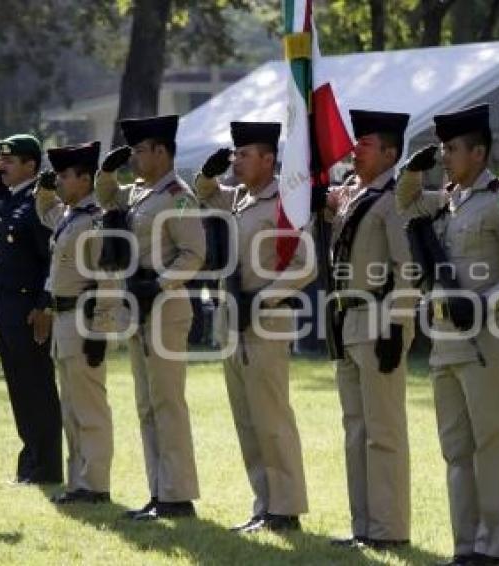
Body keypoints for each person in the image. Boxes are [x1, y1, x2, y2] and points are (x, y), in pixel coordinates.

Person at [396, 104, 499, 566]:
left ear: (478, 152)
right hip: (445, 341)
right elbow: (404, 201)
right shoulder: (445, 199)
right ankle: (465, 547)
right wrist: (412, 169)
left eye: (452, 148)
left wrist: (487, 301)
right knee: (456, 451)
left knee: (491, 446)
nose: (444, 156)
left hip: (486, 342)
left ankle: (493, 549)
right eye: (441, 149)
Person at [195, 121, 314, 533]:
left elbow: (305, 265)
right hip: (233, 319)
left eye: (244, 155)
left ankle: (286, 508)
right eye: (235, 154)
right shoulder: (237, 198)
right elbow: (204, 194)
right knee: (246, 419)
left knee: (271, 416)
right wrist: (207, 174)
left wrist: (263, 298)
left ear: (268, 159)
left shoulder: (286, 202)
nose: (236, 161)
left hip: (267, 319)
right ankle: (265, 504)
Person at [95, 115, 205, 520]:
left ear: (161, 151)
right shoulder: (141, 192)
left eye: (140, 150)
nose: (135, 158)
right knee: (146, 404)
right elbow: (108, 198)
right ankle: (159, 491)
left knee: (167, 403)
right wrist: (107, 171)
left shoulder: (178, 196)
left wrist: (160, 284)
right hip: (139, 306)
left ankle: (178, 495)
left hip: (166, 308)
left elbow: (193, 253)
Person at [317, 109, 415, 550]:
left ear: (390, 154)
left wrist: (397, 324)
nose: (355, 151)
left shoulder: (395, 200)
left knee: (383, 431)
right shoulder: (355, 193)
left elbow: (407, 269)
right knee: (356, 430)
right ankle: (364, 526)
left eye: (366, 144)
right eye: (355, 143)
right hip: (349, 319)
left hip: (379, 320)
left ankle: (389, 529)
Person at [0, 134, 62, 485]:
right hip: (5, 311)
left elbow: (52, 260)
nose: (3, 168)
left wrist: (44, 305)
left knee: (37, 388)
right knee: (19, 389)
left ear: (31, 165)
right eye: (1, 162)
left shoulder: (39, 202)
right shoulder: (11, 198)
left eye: (10, 162)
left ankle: (47, 466)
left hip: (28, 311)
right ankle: (30, 462)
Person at [34, 141, 115, 504]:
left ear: (85, 179)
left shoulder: (95, 220)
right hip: (64, 319)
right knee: (71, 409)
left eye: (65, 176)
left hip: (84, 319)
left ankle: (95, 484)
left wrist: (100, 330)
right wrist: (44, 189)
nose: (60, 182)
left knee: (89, 407)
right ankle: (78, 483)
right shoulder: (69, 216)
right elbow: (45, 212)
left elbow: (108, 279)